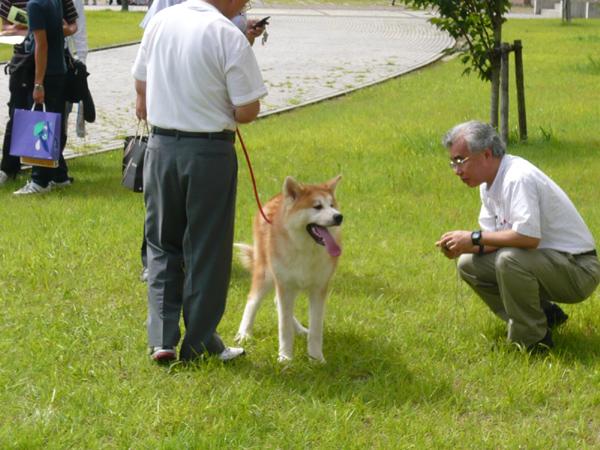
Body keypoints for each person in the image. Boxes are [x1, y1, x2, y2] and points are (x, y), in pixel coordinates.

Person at [132, 0, 267, 364]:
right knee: (207, 249)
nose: (245, 5)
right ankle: (200, 342)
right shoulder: (228, 35)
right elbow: (247, 110)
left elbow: (140, 82)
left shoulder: (160, 22)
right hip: (208, 152)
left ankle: (161, 339)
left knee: (161, 244)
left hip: (160, 148)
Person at [436, 120, 600, 351]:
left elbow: (527, 238)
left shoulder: (517, 177)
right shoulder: (489, 184)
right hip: (548, 263)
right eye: (453, 163)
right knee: (468, 264)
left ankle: (532, 341)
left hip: (580, 270)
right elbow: (495, 238)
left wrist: (473, 238)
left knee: (509, 259)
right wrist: (462, 246)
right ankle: (544, 315)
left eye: (461, 161)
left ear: (486, 154)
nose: (457, 171)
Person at [0, 0, 77, 189]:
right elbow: (5, 29)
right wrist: (36, 30)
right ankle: (10, 168)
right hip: (23, 61)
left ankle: (45, 177)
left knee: (45, 119)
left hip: (47, 61)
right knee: (19, 115)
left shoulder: (44, 3)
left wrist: (49, 30)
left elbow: (72, 25)